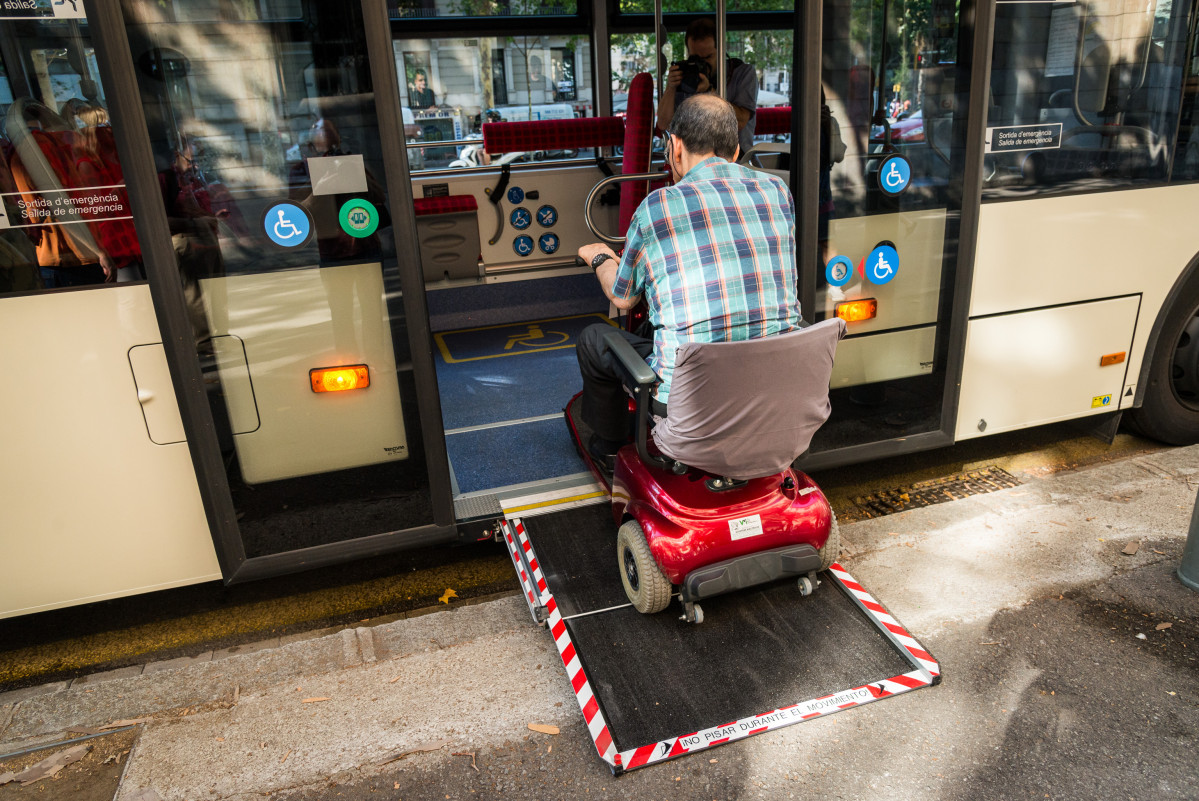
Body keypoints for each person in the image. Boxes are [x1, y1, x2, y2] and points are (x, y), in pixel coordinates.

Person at [576, 95, 801, 469]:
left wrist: (599, 256)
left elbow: (624, 298)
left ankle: (612, 446)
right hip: (774, 388)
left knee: (594, 340)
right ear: (737, 150)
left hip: (691, 404)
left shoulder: (656, 207)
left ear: (675, 146)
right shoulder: (777, 191)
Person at [656, 18, 758, 158]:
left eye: (708, 57)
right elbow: (663, 124)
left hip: (735, 158)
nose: (702, 63)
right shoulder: (687, 76)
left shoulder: (742, 73)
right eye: (695, 58)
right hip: (694, 159)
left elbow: (740, 122)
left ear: (721, 51)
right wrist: (671, 87)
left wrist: (709, 91)